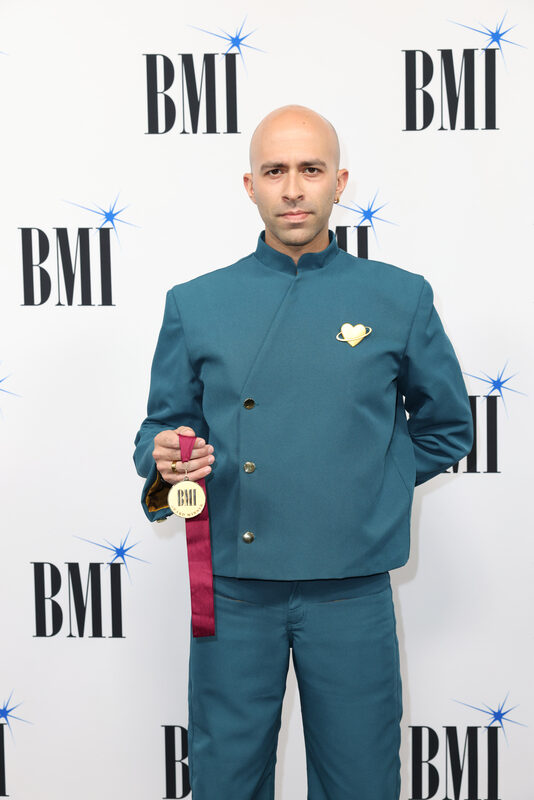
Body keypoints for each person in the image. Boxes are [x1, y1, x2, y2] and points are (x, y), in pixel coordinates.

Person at [133, 104, 473, 799]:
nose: (293, 189)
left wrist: (367, 483)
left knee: (362, 784)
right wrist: (164, 459)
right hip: (232, 588)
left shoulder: (398, 297)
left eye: (310, 170)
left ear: (339, 181)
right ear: (249, 185)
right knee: (227, 781)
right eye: (276, 171)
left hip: (352, 590)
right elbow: (158, 434)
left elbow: (447, 429)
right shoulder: (196, 303)